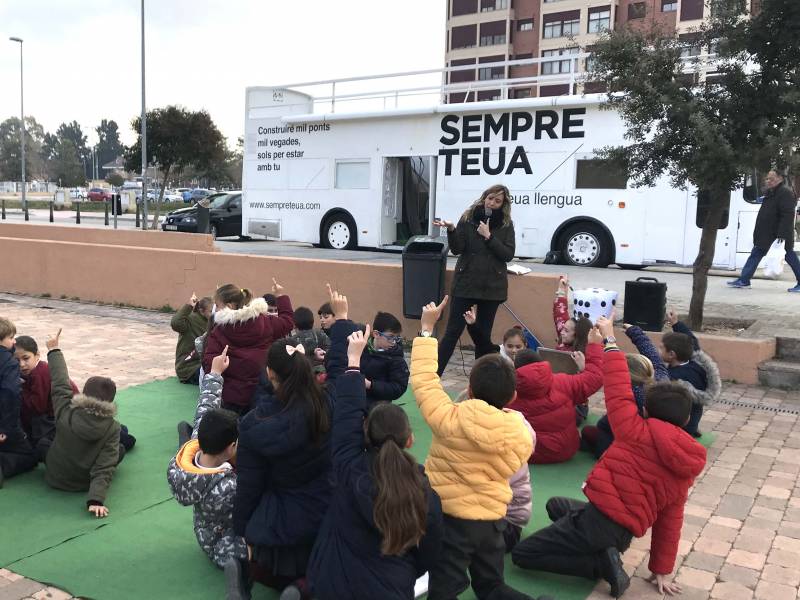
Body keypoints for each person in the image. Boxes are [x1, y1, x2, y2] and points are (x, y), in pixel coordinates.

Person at [512, 316, 707, 598]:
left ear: (647, 411)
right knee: (556, 505)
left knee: (523, 553)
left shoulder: (633, 429)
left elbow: (617, 388)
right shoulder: (686, 467)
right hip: (621, 533)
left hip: (596, 524)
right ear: (687, 418)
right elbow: (670, 519)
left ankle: (597, 564)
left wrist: (610, 341)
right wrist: (661, 568)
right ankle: (605, 552)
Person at [410, 295, 535, 600]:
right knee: (491, 586)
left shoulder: (449, 418)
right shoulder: (521, 432)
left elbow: (425, 381)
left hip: (451, 524)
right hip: (493, 523)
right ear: (513, 397)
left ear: (468, 390)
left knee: (443, 591)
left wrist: (427, 330)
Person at [231, 284, 351, 599]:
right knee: (333, 562)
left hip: (279, 518)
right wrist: (341, 321)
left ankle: (249, 571)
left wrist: (242, 533)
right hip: (325, 507)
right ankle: (304, 587)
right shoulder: (328, 404)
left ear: (270, 374)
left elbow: (249, 486)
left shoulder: (254, 425)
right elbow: (339, 373)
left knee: (271, 565)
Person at [307, 327, 443, 600]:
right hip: (391, 587)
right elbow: (430, 554)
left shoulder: (348, 465)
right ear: (410, 440)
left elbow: (346, 414)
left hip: (329, 583)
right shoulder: (425, 493)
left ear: (364, 434)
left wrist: (354, 362)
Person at [167, 345, 249, 598]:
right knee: (263, 547)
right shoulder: (228, 486)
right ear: (231, 446)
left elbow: (206, 405)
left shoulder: (194, 448)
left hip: (203, 531)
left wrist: (215, 372)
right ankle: (238, 584)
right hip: (221, 545)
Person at [433, 184, 516, 375]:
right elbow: (457, 249)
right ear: (484, 197)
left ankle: (481, 381)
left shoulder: (506, 223)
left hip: (492, 287)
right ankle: (433, 377)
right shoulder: (468, 217)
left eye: (497, 201)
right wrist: (452, 230)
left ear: (503, 204)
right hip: (467, 283)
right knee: (452, 333)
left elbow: (508, 254)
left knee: (482, 337)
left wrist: (489, 237)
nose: (492, 203)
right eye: (490, 198)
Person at [43, 329, 124, 518]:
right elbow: (104, 467)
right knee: (119, 450)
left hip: (54, 476)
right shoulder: (113, 428)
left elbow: (60, 382)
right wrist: (96, 500)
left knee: (44, 443)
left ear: (83, 394)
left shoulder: (66, 408)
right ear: (110, 402)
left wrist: (54, 350)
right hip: (82, 483)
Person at [507, 332, 603, 464]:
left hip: (527, 453)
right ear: (540, 363)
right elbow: (596, 378)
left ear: (515, 368)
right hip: (566, 450)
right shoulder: (563, 382)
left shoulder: (507, 391)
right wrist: (595, 346)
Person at [203, 280, 294, 414]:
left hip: (231, 396)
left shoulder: (220, 330)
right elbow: (287, 322)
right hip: (263, 391)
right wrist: (280, 295)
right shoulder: (265, 321)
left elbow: (209, 361)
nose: (216, 309)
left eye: (217, 305)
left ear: (229, 305)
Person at [581, 321, 669, 458]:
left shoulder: (629, 393)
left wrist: (597, 344)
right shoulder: (661, 377)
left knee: (598, 430)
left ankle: (602, 450)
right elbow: (653, 355)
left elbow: (611, 369)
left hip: (624, 435)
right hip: (649, 433)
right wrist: (635, 331)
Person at [728, 170, 800, 292]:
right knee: (756, 254)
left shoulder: (784, 193)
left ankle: (744, 280)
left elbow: (787, 215)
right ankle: (744, 280)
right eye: (767, 179)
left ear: (780, 178)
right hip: (766, 233)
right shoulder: (770, 193)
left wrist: (781, 235)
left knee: (789, 256)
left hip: (778, 235)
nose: (768, 181)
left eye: (771, 179)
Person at [15, 335, 79, 460]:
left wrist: (19, 390)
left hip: (64, 416)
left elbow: (37, 407)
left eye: (26, 358)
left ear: (37, 355)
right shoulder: (27, 373)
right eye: (17, 360)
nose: (22, 364)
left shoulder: (41, 372)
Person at [659, 312, 721, 438]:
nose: (658, 351)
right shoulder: (694, 362)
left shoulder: (675, 377)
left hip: (684, 426)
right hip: (693, 418)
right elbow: (691, 339)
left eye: (661, 348)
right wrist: (676, 323)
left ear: (672, 354)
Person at [332, 311, 410, 403]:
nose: (393, 342)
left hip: (377, 406)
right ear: (376, 334)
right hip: (352, 398)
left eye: (396, 338)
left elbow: (398, 388)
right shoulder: (360, 347)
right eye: (390, 337)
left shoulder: (396, 358)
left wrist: (370, 385)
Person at [0, 318, 37, 486]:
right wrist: (6, 428)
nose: (14, 341)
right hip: (4, 422)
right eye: (11, 337)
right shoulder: (9, 363)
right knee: (30, 455)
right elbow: (10, 394)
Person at [171, 292, 213, 384]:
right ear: (202, 311)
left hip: (204, 364)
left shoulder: (213, 321)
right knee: (213, 377)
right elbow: (175, 323)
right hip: (189, 368)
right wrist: (189, 306)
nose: (214, 313)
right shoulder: (190, 320)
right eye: (211, 311)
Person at [291, 306, 330, 374]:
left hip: (303, 372)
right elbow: (329, 348)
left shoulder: (293, 339)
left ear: (295, 323)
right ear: (312, 321)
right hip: (322, 371)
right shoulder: (320, 333)